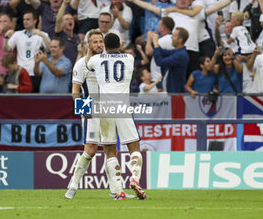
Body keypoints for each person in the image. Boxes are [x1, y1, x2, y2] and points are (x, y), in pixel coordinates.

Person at [87, 33, 146, 200]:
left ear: (104, 46)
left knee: (110, 150)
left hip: (104, 108)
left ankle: (118, 191)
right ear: (120, 46)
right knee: (134, 147)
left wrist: (90, 49)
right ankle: (134, 178)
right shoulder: (129, 58)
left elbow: (88, 63)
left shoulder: (96, 60)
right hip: (122, 106)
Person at [65, 29, 120, 199]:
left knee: (112, 149)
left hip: (109, 110)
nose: (98, 45)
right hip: (91, 110)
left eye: (101, 41)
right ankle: (73, 185)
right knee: (90, 150)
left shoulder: (109, 62)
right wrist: (83, 109)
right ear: (88, 44)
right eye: (95, 42)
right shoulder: (81, 64)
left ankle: (116, 191)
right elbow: (75, 90)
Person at [3, 10, 50, 92]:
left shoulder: (43, 35)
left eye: (28, 19)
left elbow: (49, 49)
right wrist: (5, 38)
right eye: (24, 19)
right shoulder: (18, 34)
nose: (25, 21)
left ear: (35, 21)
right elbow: (6, 49)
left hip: (35, 72)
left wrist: (41, 34)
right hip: (20, 73)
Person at [152, 27, 190, 93]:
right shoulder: (177, 51)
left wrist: (156, 44)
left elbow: (159, 62)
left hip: (175, 93)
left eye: (174, 36)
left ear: (180, 40)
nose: (171, 37)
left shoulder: (180, 55)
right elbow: (162, 52)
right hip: (171, 91)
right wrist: (155, 41)